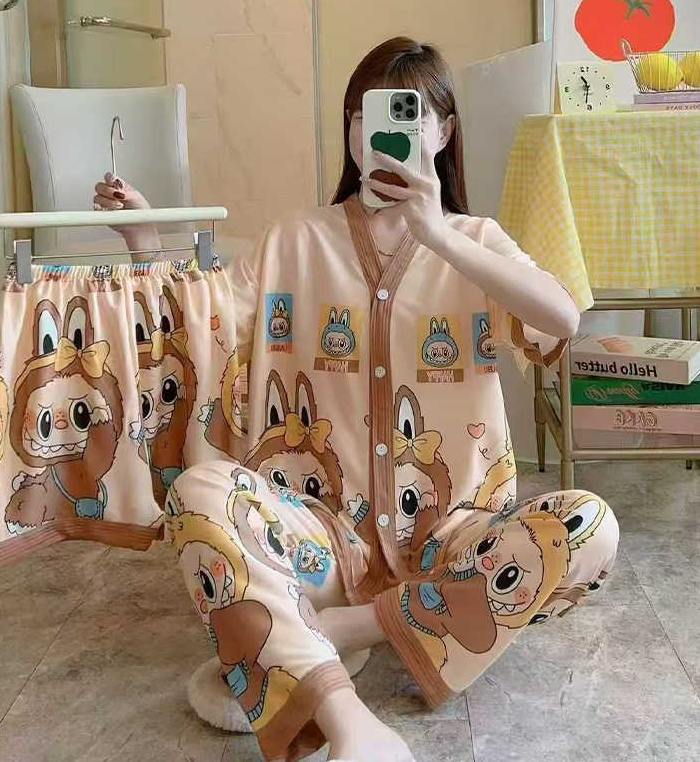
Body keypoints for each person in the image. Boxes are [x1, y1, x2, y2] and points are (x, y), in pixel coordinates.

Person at [94, 37, 619, 762]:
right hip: (314, 546)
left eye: (408, 115)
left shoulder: (477, 241)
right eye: (362, 115)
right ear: (349, 129)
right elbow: (195, 328)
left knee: (591, 529)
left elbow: (561, 319)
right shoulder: (293, 239)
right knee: (198, 492)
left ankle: (354, 629)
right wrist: (145, 240)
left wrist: (438, 235)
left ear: (443, 132)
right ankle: (349, 721)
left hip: (454, 543)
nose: (382, 133)